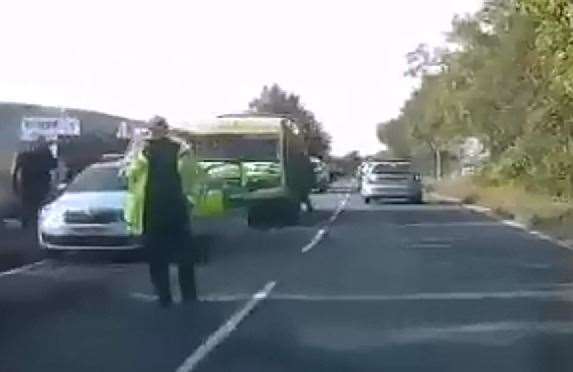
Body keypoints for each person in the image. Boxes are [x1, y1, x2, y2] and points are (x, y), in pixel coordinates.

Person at [125, 116, 198, 307]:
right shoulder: (140, 150)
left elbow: (193, 175)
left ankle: (189, 296)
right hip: (150, 209)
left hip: (176, 206)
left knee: (184, 256)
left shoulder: (180, 148)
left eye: (160, 127)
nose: (156, 130)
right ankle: (164, 296)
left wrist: (191, 198)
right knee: (157, 258)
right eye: (153, 127)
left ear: (166, 129)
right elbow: (128, 174)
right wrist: (135, 156)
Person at [11, 137, 57, 228]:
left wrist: (15, 186)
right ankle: (35, 222)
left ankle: (27, 222)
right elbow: (53, 166)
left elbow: (15, 172)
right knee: (38, 203)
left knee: (29, 204)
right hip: (39, 184)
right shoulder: (45, 154)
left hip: (29, 184)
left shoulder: (23, 155)